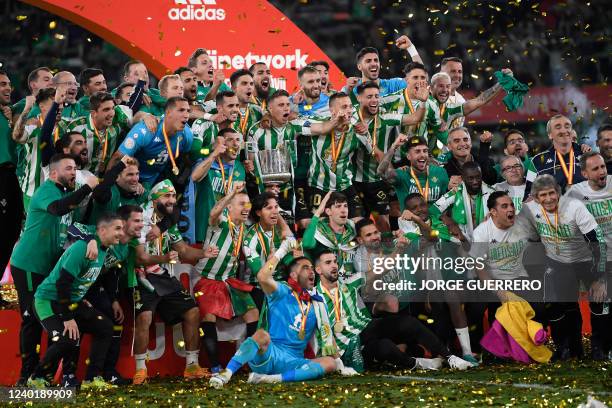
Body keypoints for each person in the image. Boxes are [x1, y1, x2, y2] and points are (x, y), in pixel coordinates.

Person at [10, 153, 98, 385]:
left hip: (47, 268)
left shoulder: (64, 194)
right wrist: (87, 188)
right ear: (53, 173)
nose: (73, 172)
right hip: (29, 265)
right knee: (31, 318)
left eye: (75, 169)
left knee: (53, 317)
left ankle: (45, 373)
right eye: (68, 168)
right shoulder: (48, 190)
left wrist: (90, 237)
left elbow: (73, 224)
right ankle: (26, 374)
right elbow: (59, 209)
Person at [316, 250, 474, 371]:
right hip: (348, 346)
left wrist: (398, 250)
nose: (334, 265)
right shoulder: (315, 297)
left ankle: (450, 357)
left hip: (365, 329)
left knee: (408, 323)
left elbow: (381, 269)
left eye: (335, 262)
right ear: (318, 269)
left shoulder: (349, 283)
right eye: (328, 262)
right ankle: (418, 363)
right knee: (384, 347)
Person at [209, 253, 343, 388]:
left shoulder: (317, 302)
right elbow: (262, 277)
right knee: (261, 335)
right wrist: (281, 252)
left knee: (329, 363)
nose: (311, 271)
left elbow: (328, 334)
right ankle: (226, 374)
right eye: (305, 268)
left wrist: (339, 363)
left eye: (312, 268)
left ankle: (274, 379)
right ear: (294, 276)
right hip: (269, 355)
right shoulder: (282, 291)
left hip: (293, 361)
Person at [132, 179, 218, 384]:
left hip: (162, 275)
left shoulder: (166, 223)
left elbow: (184, 250)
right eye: (166, 196)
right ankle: (140, 370)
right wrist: (164, 258)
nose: (171, 200)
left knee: (193, 311)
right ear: (154, 200)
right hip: (141, 276)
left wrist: (203, 253)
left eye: (173, 196)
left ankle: (191, 365)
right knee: (144, 317)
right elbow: (139, 259)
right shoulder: (141, 220)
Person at [26, 213, 124, 389]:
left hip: (71, 301)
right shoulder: (82, 248)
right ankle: (36, 377)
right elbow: (62, 283)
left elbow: (81, 280)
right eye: (117, 228)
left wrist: (81, 299)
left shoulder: (103, 249)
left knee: (106, 327)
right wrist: (68, 317)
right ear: (102, 230)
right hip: (48, 300)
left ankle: (91, 379)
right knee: (67, 340)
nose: (121, 233)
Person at [520, 175, 606, 360]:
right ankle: (568, 347)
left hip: (585, 259)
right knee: (559, 304)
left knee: (599, 299)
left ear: (559, 193)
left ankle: (600, 347)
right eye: (543, 195)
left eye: (552, 193)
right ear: (535, 198)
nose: (549, 199)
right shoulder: (528, 209)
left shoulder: (574, 207)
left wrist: (600, 278)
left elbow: (596, 241)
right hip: (557, 262)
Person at [192, 182, 260, 374]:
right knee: (208, 316)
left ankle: (247, 361)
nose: (246, 208)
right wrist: (231, 193)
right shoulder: (220, 222)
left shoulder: (244, 230)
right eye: (241, 204)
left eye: (248, 204)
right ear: (230, 206)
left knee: (253, 313)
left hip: (229, 281)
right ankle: (215, 366)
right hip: (207, 278)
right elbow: (213, 212)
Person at [352, 81, 428, 231]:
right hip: (354, 179)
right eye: (369, 97)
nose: (374, 100)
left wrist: (423, 102)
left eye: (376, 96)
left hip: (377, 178)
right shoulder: (351, 117)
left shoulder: (385, 116)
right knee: (358, 221)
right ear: (359, 98)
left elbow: (415, 118)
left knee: (384, 221)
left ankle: (389, 251)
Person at [564, 152, 611, 360]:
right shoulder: (574, 193)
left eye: (603, 167)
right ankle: (598, 347)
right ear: (584, 173)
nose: (602, 172)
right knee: (599, 301)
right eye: (596, 169)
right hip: (595, 256)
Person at [306, 92, 371, 219]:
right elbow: (294, 124)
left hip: (345, 184)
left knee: (358, 222)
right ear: (332, 111)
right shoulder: (317, 124)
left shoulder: (357, 130)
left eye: (350, 107)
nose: (349, 111)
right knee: (320, 225)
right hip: (318, 185)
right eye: (344, 107)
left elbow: (370, 151)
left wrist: (366, 133)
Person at [110, 96, 193, 186]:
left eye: (188, 111)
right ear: (168, 113)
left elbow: (186, 158)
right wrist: (107, 185)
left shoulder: (187, 135)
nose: (186, 115)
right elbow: (118, 158)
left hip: (156, 179)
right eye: (181, 110)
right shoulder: (147, 130)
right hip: (129, 178)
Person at [191, 127, 246, 242]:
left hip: (227, 232)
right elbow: (194, 177)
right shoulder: (207, 162)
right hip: (204, 229)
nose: (235, 144)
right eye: (230, 140)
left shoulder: (240, 168)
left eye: (237, 140)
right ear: (221, 143)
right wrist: (214, 154)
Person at [243, 193, 295, 310]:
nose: (275, 211)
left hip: (281, 281)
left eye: (276, 207)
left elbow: (294, 249)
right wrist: (278, 254)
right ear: (258, 212)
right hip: (258, 285)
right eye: (269, 208)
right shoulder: (250, 239)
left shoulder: (280, 230)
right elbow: (262, 276)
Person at [62, 91, 132, 177]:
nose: (111, 114)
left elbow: (137, 116)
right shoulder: (76, 128)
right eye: (106, 109)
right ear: (93, 113)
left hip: (104, 180)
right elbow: (65, 160)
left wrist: (145, 116)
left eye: (112, 108)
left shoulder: (118, 120)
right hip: (79, 179)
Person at [0, 70, 24, 308]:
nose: (8, 88)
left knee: (10, 234)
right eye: (2, 85)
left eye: (8, 84)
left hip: (13, 176)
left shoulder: (9, 113)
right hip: (1, 176)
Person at [378, 135, 450, 212]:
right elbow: (381, 172)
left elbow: (447, 201)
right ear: (408, 156)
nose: (422, 155)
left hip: (436, 222)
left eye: (425, 151)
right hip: (410, 222)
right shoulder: (402, 174)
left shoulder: (440, 172)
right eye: (417, 151)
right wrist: (394, 147)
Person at [432, 161, 495, 242]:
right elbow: (433, 211)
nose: (475, 181)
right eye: (471, 178)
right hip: (462, 239)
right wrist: (446, 219)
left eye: (478, 177)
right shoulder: (455, 192)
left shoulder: (492, 193)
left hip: (487, 239)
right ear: (463, 178)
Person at [525, 114, 586, 197]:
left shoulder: (586, 154)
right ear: (550, 135)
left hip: (586, 206)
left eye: (567, 126)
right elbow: (529, 192)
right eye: (558, 127)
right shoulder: (536, 161)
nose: (564, 130)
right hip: (554, 208)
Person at [303, 192, 358, 278]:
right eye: (338, 206)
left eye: (345, 206)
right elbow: (307, 244)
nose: (343, 210)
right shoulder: (319, 232)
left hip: (352, 282)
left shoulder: (353, 231)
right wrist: (318, 212)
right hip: (327, 286)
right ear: (328, 211)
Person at [229, 69, 264, 136]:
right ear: (233, 88)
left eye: (251, 84)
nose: (249, 87)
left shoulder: (258, 111)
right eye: (244, 83)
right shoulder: (225, 111)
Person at [439, 57, 466, 128]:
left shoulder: (461, 100)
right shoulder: (431, 94)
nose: (457, 75)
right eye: (453, 71)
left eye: (460, 72)